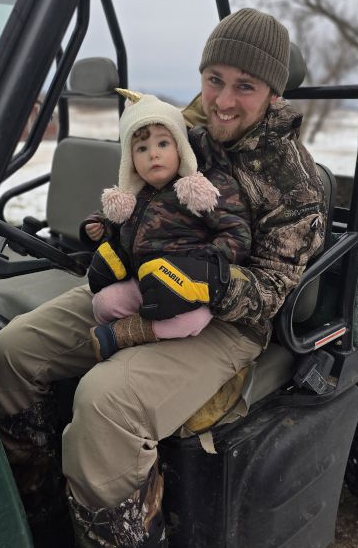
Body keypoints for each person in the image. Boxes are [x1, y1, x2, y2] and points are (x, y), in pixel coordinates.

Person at [0, 8, 326, 548]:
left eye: (246, 86)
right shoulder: (181, 128)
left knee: (106, 404)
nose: (223, 101)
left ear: (273, 93)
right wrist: (111, 230)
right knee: (10, 353)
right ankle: (38, 518)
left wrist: (205, 282)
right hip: (138, 284)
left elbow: (271, 291)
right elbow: (135, 188)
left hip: (224, 322)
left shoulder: (294, 180)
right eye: (214, 79)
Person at [83, 92, 252, 362]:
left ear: (180, 148)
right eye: (141, 149)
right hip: (144, 281)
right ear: (131, 162)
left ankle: (135, 331)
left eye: (163, 143)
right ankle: (144, 325)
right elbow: (123, 230)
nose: (153, 155)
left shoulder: (203, 189)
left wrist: (202, 265)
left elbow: (237, 234)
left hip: (187, 286)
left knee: (192, 320)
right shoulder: (135, 196)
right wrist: (100, 229)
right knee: (102, 304)